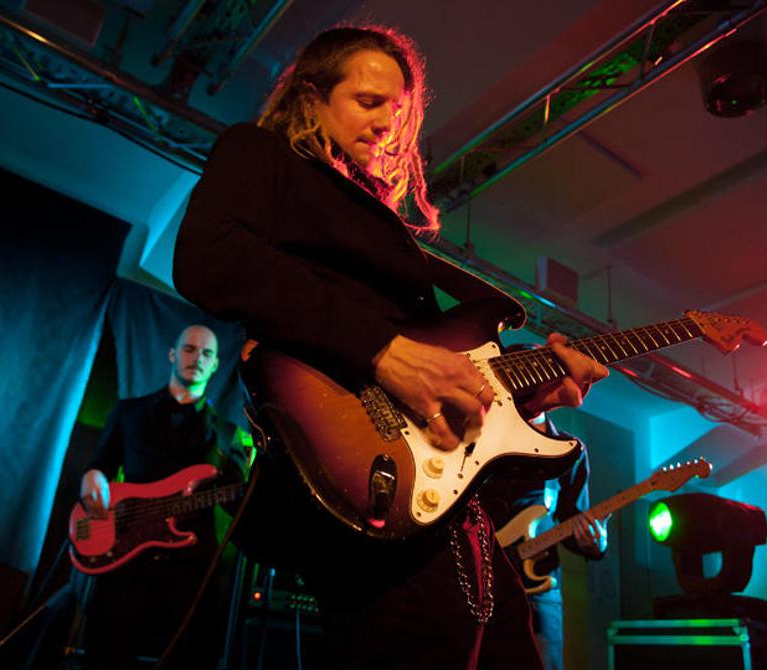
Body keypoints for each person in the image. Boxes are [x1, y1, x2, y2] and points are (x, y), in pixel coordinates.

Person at [172, 26, 609, 670]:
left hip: (452, 510)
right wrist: (383, 351)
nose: (386, 122)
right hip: (372, 483)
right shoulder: (261, 153)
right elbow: (208, 255)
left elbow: (441, 369)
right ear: (312, 98)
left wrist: (530, 398)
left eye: (396, 109)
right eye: (368, 101)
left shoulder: (377, 216)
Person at [77, 325, 250, 670]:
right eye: (189, 349)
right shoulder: (129, 411)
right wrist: (92, 476)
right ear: (172, 354)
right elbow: (101, 464)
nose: (197, 358)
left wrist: (246, 486)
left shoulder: (228, 434)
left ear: (216, 365)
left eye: (207, 353)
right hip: (124, 557)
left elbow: (236, 505)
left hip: (189, 569)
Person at [481, 406, 608, 670]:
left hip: (537, 583)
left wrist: (596, 543)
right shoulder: (485, 429)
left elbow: (572, 517)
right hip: (477, 576)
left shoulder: (569, 449)